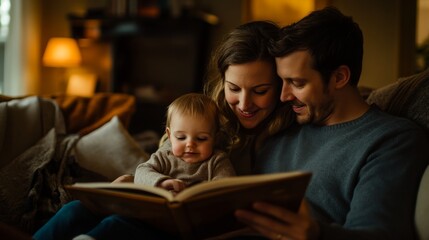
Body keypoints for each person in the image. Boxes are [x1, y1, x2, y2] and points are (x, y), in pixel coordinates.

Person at [33, 20, 292, 240]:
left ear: (282, 85)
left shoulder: (285, 139)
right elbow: (163, 158)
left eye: (260, 91)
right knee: (75, 210)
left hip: (199, 231)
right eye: (233, 88)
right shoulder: (206, 116)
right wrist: (128, 187)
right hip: (158, 213)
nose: (244, 104)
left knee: (115, 227)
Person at [234, 6, 429, 240]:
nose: (284, 96)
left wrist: (316, 234)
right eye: (282, 81)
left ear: (339, 77)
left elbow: (380, 233)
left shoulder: (391, 140)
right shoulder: (279, 131)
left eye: (296, 83)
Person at [134, 93, 236, 194]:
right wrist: (162, 183)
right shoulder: (164, 156)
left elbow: (226, 187)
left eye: (201, 138)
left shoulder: (218, 160)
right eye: (181, 137)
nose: (190, 144)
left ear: (215, 138)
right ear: (169, 136)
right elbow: (140, 172)